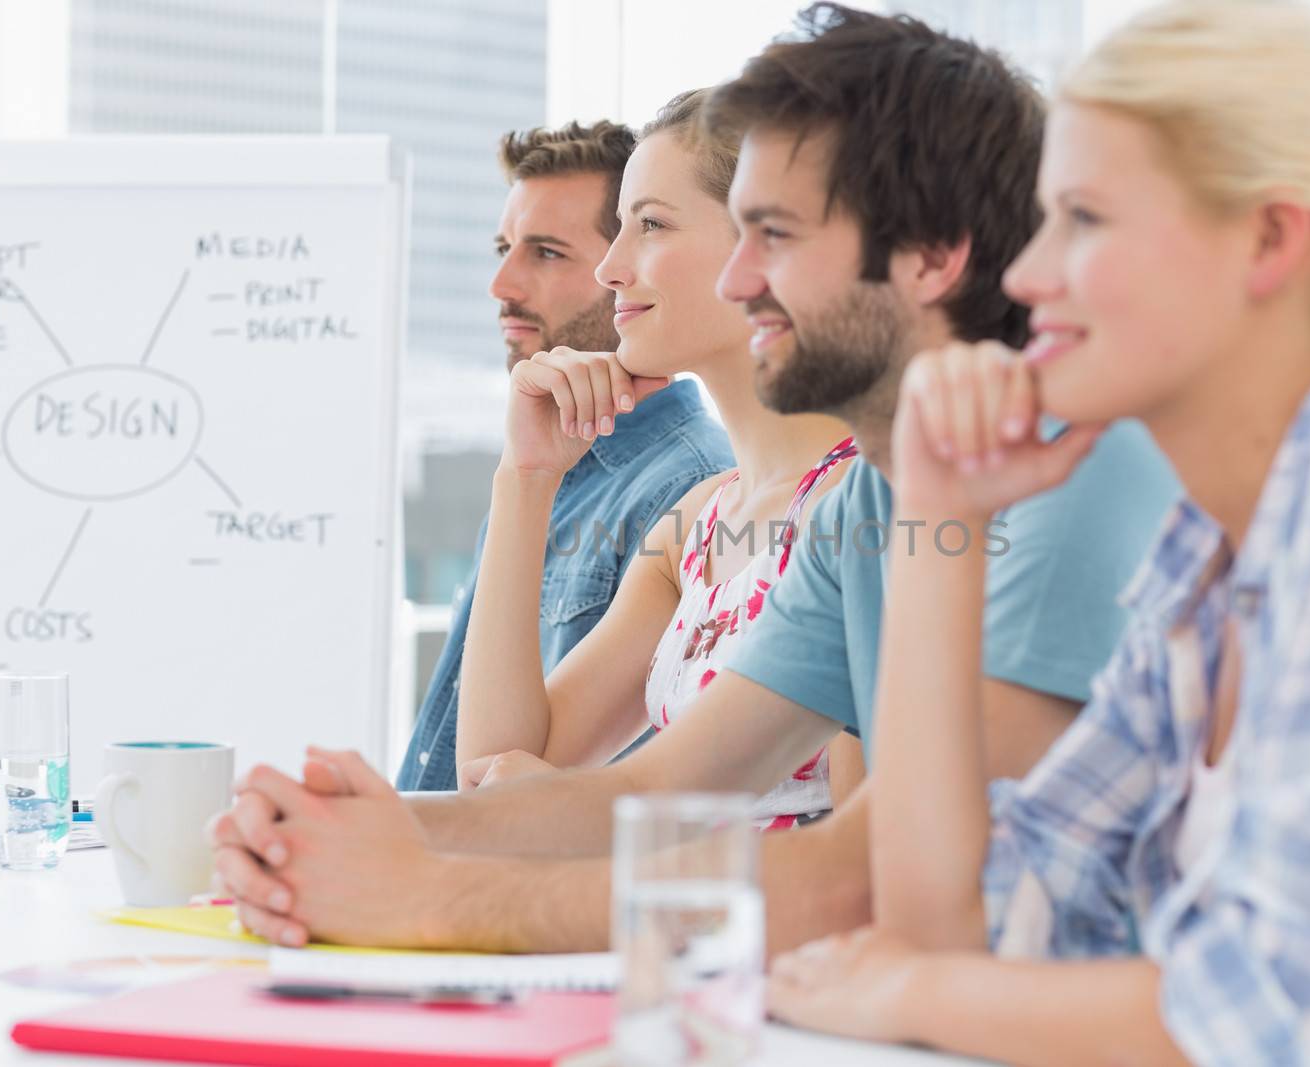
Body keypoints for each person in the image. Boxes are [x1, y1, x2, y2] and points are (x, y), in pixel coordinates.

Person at [206, 4, 1175, 956]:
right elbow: (657, 791)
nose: (739, 277)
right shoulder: (887, 486)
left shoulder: (1058, 466)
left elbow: (871, 871)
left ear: (931, 259)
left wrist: (435, 892)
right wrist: (328, 836)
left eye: (777, 236)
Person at [762, 3, 1310, 1065]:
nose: (1024, 274)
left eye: (1086, 218)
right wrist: (937, 517)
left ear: (1270, 237)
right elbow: (961, 923)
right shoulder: (1204, 564)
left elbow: (1283, 1012)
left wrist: (913, 985)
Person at [454, 88, 863, 827]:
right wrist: (527, 474)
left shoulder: (863, 503)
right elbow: (492, 771)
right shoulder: (696, 524)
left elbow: (864, 859)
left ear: (766, 249)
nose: (611, 268)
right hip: (673, 931)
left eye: (650, 225)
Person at [396, 119, 734, 791]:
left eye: (546, 252)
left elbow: (546, 802)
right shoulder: (556, 468)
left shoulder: (689, 486)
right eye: (503, 247)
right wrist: (523, 475)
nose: (500, 283)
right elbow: (486, 779)